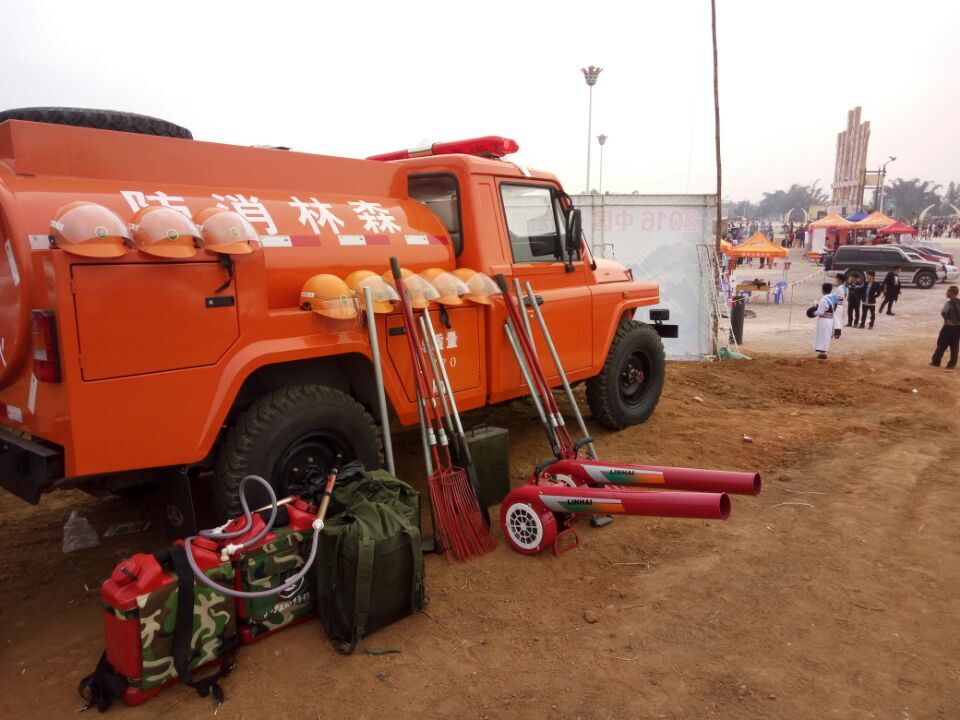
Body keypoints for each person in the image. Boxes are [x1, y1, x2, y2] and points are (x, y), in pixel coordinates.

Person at [930, 285, 960, 369]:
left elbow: (943, 312)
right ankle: (951, 365)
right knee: (955, 346)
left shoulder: (949, 303)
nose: (946, 293)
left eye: (948, 292)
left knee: (941, 345)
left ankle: (936, 362)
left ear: (952, 293)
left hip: (949, 328)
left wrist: (946, 319)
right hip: (958, 328)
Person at [813, 282, 838, 360]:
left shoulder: (823, 300)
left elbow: (820, 312)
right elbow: (834, 308)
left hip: (824, 320)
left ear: (823, 290)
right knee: (826, 336)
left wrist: (813, 313)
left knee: (823, 336)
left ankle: (823, 353)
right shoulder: (833, 297)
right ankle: (823, 353)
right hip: (830, 319)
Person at [832, 273, 847, 339]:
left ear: (840, 280)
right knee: (838, 319)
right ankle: (837, 332)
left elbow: (835, 297)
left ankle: (837, 333)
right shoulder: (844, 288)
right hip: (840, 305)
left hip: (837, 305)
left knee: (836, 319)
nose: (836, 280)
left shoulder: (839, 289)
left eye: (837, 278)